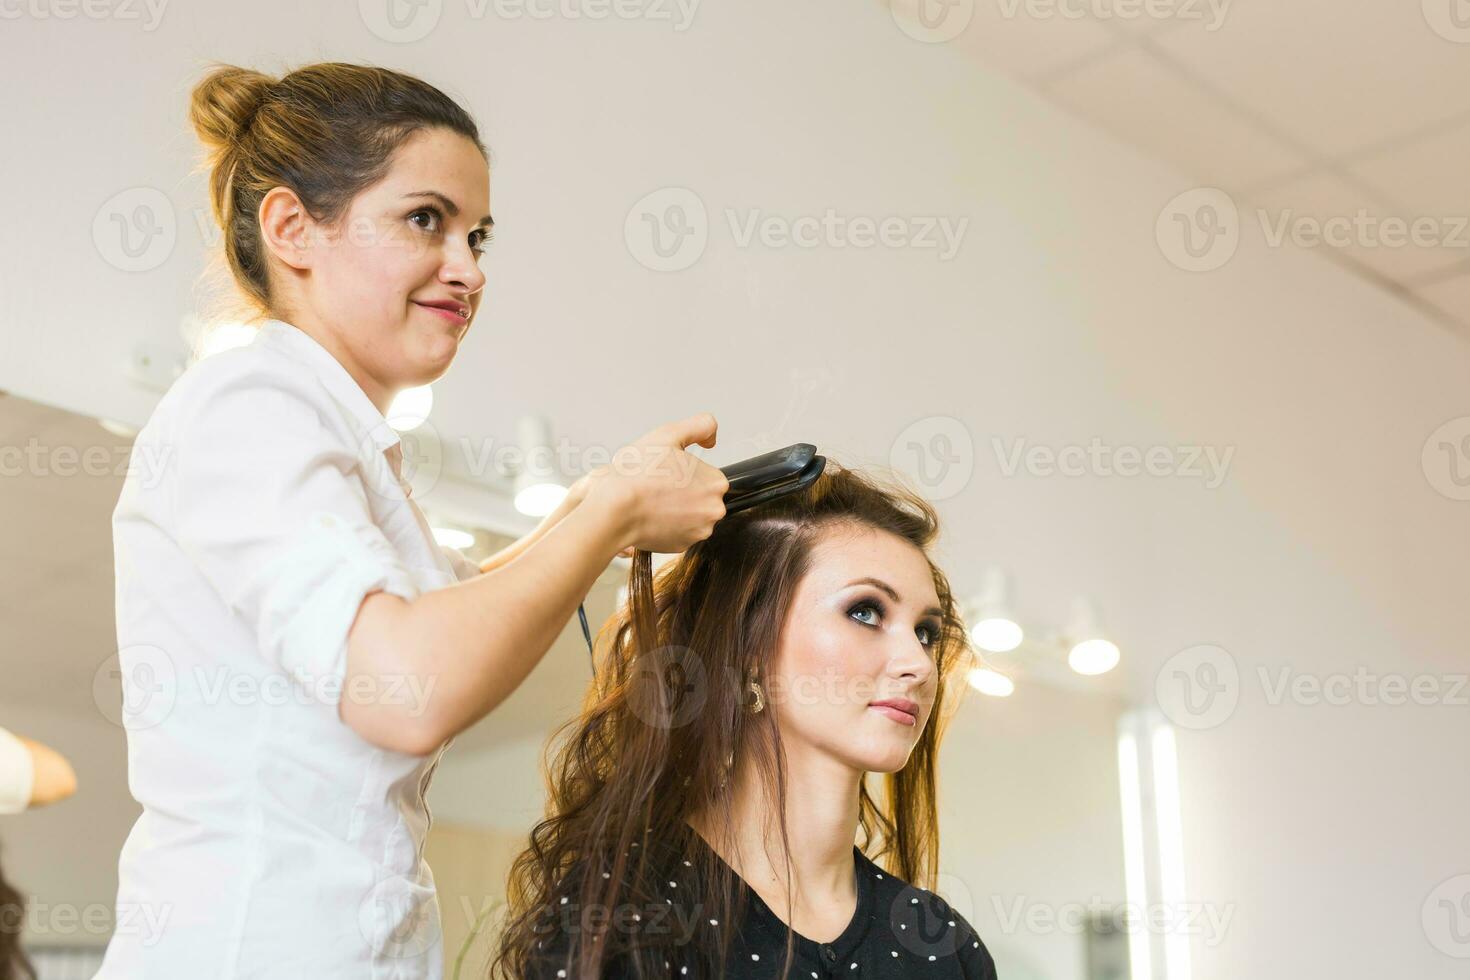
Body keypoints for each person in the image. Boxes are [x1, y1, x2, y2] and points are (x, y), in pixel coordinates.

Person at [95, 61, 728, 979]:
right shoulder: (246, 404)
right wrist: (613, 510)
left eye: (479, 236)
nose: (468, 270)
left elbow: (445, 614)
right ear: (291, 227)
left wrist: (599, 507)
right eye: (425, 220)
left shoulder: (329, 436)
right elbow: (409, 684)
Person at [492, 462, 998, 979]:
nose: (917, 663)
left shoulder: (943, 946)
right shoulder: (623, 913)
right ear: (748, 650)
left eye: (927, 632)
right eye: (865, 612)